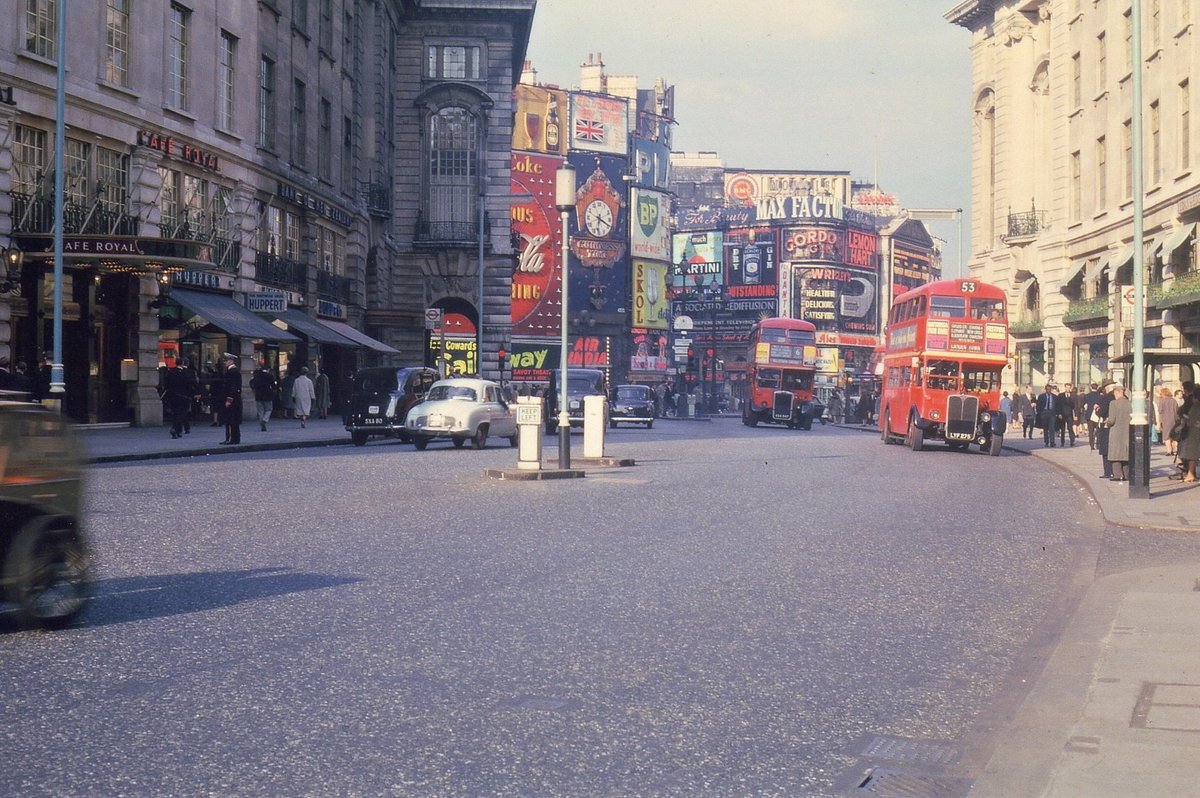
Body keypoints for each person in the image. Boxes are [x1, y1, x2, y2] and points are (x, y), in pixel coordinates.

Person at [1105, 383, 1132, 481]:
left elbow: (1112, 420)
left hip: (1116, 432)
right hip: (1127, 431)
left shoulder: (1113, 403)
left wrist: (1106, 423)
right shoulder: (1130, 403)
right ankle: (1126, 474)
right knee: (1125, 454)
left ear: (1117, 392)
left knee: (1116, 454)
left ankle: (1118, 475)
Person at [161, 359, 190, 439]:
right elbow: (188, 385)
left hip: (172, 396)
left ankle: (177, 430)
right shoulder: (185, 373)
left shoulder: (170, 372)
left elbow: (166, 384)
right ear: (182, 363)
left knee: (175, 413)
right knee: (180, 414)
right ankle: (176, 429)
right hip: (182, 396)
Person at [217, 353, 243, 445]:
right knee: (233, 420)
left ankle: (231, 438)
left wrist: (229, 400)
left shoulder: (232, 372)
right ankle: (235, 438)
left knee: (230, 420)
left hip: (232, 399)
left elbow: (233, 387)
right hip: (234, 399)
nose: (225, 362)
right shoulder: (233, 371)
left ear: (231, 361)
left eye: (226, 360)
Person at [1177, 384, 1200, 482]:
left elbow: (1189, 418)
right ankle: (1190, 473)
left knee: (1191, 453)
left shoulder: (1195, 405)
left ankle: (1190, 474)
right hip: (1193, 429)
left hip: (1193, 430)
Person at [1095, 380, 1117, 479]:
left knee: (1105, 449)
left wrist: (1096, 410)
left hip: (1106, 426)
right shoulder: (1121, 397)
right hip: (1118, 427)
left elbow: (1102, 412)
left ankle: (1108, 472)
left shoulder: (1105, 398)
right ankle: (1116, 471)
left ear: (1106, 388)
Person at [249, 364, 278, 432]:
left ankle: (261, 421)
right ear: (268, 370)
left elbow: (251, 383)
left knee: (260, 410)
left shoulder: (256, 376)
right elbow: (273, 386)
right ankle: (265, 420)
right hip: (268, 395)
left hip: (258, 395)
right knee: (269, 409)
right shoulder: (270, 376)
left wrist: (253, 389)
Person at [1157, 386, 1180, 457]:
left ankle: (1169, 450)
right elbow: (1177, 410)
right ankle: (1172, 449)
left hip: (1166, 420)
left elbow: (1160, 410)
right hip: (1174, 419)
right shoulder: (1173, 401)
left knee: (1166, 436)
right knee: (1173, 435)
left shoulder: (1162, 401)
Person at [1081, 382, 1104, 450]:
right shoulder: (1100, 396)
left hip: (1089, 415)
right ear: (1097, 388)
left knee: (1091, 431)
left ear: (1091, 388)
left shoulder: (1087, 396)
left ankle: (1091, 444)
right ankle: (1098, 444)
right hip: (1097, 415)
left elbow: (1083, 405)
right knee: (1098, 430)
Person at [1057, 382, 1080, 446]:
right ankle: (1062, 442)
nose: (1067, 389)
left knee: (1070, 428)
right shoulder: (1060, 395)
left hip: (1069, 414)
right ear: (1065, 387)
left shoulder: (1073, 396)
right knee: (1062, 429)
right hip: (1062, 414)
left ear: (1070, 388)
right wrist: (1059, 413)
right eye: (1066, 387)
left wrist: (1076, 415)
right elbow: (1058, 405)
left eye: (1069, 387)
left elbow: (1075, 406)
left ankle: (1072, 441)